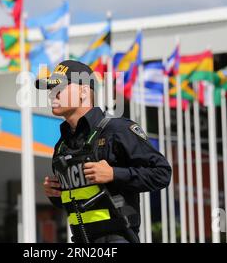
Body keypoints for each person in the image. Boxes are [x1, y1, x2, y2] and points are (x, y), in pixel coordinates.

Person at [37, 60, 172, 243]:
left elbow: (162, 173)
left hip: (118, 239)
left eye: (59, 87)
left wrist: (114, 174)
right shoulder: (62, 144)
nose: (53, 94)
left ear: (84, 92)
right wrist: (56, 193)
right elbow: (78, 202)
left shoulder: (117, 129)